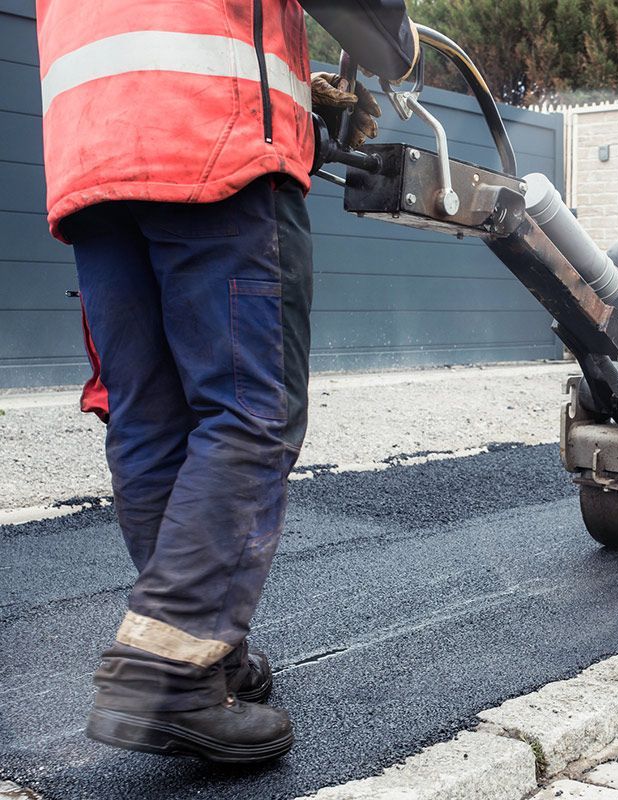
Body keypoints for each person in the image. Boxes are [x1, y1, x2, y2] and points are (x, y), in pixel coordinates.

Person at [35, 0, 419, 763]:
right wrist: (391, 46)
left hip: (90, 154)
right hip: (213, 141)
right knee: (252, 412)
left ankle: (203, 650)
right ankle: (166, 674)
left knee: (149, 420)